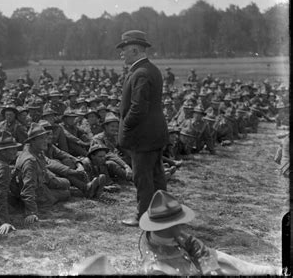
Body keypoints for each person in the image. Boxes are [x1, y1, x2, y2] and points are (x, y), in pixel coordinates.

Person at [139, 190, 278, 275]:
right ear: (169, 226)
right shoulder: (157, 266)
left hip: (195, 263)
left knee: (219, 257)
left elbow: (193, 243)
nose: (183, 226)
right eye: (180, 224)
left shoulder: (171, 234)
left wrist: (208, 266)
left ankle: (264, 271)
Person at [115, 30, 168, 227]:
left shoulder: (141, 73)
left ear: (135, 50)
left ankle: (143, 216)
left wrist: (126, 126)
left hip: (142, 136)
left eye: (124, 50)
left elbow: (138, 107)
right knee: (156, 176)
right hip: (153, 134)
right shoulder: (149, 70)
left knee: (143, 178)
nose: (122, 54)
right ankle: (161, 213)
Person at [11, 123, 71, 225]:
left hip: (42, 187)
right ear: (33, 141)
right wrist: (31, 212)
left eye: (45, 137)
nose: (45, 141)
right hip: (38, 195)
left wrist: (55, 181)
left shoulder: (38, 152)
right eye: (41, 139)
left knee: (66, 183)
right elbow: (27, 189)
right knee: (66, 193)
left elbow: (44, 173)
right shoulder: (30, 161)